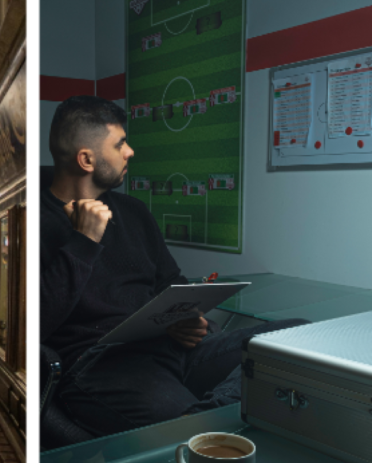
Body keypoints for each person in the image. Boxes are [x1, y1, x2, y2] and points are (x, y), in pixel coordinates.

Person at [42, 96, 307, 436]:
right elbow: (38, 324)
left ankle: (201, 420)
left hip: (171, 351)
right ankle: (201, 426)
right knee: (220, 418)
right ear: (86, 159)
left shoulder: (134, 211)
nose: (130, 152)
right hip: (101, 367)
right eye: (120, 144)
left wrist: (187, 319)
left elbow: (172, 284)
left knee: (297, 336)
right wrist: (83, 242)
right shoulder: (35, 223)